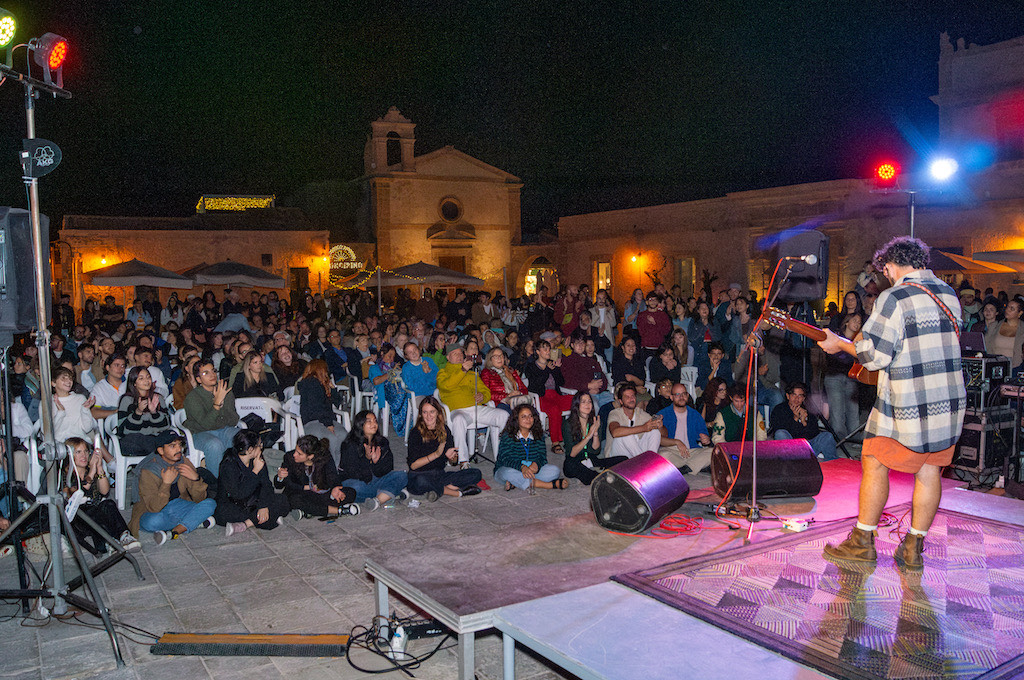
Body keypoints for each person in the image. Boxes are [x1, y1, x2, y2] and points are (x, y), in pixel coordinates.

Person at [818, 236, 966, 570]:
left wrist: (839, 343)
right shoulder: (947, 293)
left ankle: (862, 542)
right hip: (947, 402)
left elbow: (874, 355)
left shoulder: (894, 296)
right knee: (930, 470)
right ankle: (913, 548)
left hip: (907, 402)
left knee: (873, 460)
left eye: (883, 271)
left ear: (889, 266)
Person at [129, 431, 217, 544]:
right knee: (152, 522)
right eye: (172, 446)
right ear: (161, 450)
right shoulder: (149, 470)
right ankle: (192, 521)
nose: (179, 449)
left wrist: (196, 478)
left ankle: (175, 531)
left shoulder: (183, 462)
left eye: (180, 445)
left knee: (210, 504)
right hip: (155, 511)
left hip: (178, 505)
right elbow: (153, 507)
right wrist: (166, 483)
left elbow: (200, 499)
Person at [62, 437, 140, 554]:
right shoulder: (65, 474)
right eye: (78, 452)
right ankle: (109, 541)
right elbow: (76, 494)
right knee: (95, 515)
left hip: (95, 512)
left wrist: (99, 468)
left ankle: (124, 535)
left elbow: (104, 491)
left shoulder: (90, 470)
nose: (83, 455)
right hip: (78, 518)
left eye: (86, 451)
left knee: (108, 504)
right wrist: (92, 471)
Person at [436, 346, 509, 466]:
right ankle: (463, 460)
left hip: (477, 409)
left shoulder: (472, 374)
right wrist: (462, 370)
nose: (459, 356)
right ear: (448, 357)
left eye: (461, 353)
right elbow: (446, 386)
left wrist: (482, 396)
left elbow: (486, 391)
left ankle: (507, 454)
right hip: (458, 410)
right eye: (455, 354)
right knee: (458, 420)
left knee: (504, 415)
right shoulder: (443, 373)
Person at [406, 396, 483, 500]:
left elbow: (453, 463)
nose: (428, 416)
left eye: (432, 412)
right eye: (425, 412)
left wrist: (453, 458)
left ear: (438, 413)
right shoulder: (415, 433)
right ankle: (456, 492)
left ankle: (438, 489)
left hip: (439, 475)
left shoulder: (444, 430)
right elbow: (413, 466)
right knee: (420, 482)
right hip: (419, 475)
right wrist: (436, 454)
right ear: (421, 414)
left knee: (476, 473)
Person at [215, 430, 290, 536]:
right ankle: (267, 518)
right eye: (259, 445)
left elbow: (267, 484)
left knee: (283, 500)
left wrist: (263, 506)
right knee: (223, 514)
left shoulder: (258, 459)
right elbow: (238, 494)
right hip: (233, 504)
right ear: (250, 449)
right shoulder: (228, 465)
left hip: (253, 501)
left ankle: (246, 524)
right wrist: (255, 471)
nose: (261, 447)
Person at [274, 435, 358, 519]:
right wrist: (280, 477)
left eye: (299, 454)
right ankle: (338, 511)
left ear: (310, 456)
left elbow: (332, 476)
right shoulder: (289, 457)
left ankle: (310, 511)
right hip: (300, 492)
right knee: (294, 500)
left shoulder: (324, 456)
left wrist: (335, 488)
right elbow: (281, 485)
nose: (294, 454)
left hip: (320, 494)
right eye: (296, 450)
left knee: (350, 492)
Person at [339, 410, 408, 510]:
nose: (374, 424)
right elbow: (352, 473)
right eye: (369, 421)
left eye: (375, 421)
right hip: (357, 481)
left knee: (403, 476)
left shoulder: (382, 442)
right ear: (360, 424)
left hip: (376, 481)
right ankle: (388, 494)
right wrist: (367, 459)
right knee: (354, 488)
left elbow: (388, 468)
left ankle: (378, 500)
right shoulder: (350, 444)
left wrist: (376, 463)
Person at [183, 360, 241, 476]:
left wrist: (223, 403)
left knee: (242, 437)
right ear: (199, 379)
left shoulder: (225, 391)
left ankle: (238, 478)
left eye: (213, 371)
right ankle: (216, 482)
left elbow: (233, 420)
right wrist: (217, 404)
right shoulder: (193, 397)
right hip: (200, 433)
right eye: (206, 373)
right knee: (215, 445)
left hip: (224, 429)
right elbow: (206, 425)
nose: (212, 375)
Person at [494, 403, 567, 491]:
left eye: (530, 416)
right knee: (508, 473)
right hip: (511, 468)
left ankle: (516, 482)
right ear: (516, 419)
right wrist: (522, 467)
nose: (528, 419)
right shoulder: (508, 436)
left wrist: (536, 464)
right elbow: (506, 459)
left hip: (531, 469)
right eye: (523, 417)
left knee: (554, 471)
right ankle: (548, 485)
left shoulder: (538, 434)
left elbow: (542, 457)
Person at [561, 393, 627, 485]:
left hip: (591, 459)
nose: (587, 404)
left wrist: (595, 433)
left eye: (589, 402)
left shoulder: (595, 422)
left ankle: (600, 476)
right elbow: (572, 453)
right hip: (575, 461)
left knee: (624, 459)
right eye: (583, 402)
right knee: (570, 465)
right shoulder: (568, 424)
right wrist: (589, 435)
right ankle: (601, 477)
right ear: (577, 405)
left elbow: (596, 451)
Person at [769, 382, 837, 461]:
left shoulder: (807, 410)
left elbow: (814, 433)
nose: (796, 399)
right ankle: (794, 460)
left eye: (800, 396)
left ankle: (832, 462)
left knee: (827, 436)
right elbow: (778, 430)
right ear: (788, 396)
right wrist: (795, 419)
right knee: (780, 433)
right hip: (790, 448)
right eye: (794, 395)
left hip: (806, 447)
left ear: (803, 398)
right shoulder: (779, 409)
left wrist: (804, 422)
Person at [296, 359, 347, 464]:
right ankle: (330, 468)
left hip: (326, 419)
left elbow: (338, 402)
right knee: (330, 439)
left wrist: (332, 388)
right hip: (313, 421)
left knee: (343, 435)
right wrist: (328, 424)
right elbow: (316, 408)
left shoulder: (322, 384)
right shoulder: (311, 383)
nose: (327, 373)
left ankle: (338, 466)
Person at [656, 384, 713, 474]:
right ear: (671, 397)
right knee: (662, 455)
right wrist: (677, 442)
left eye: (684, 394)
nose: (681, 397)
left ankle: (685, 468)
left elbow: (703, 435)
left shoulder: (695, 414)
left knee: (712, 452)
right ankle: (694, 466)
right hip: (672, 451)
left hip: (691, 451)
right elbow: (658, 439)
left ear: (687, 396)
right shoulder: (663, 414)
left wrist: (705, 439)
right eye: (677, 394)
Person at [117, 366, 172, 456]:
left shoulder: (158, 398)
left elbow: (166, 425)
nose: (146, 381)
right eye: (141, 378)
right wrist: (138, 412)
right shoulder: (127, 400)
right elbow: (123, 430)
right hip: (135, 439)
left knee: (171, 437)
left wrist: (154, 413)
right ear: (134, 383)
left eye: (148, 377)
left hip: (155, 438)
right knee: (136, 441)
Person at [607, 383, 662, 459]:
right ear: (621, 401)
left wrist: (659, 425)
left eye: (633, 396)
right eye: (627, 397)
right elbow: (615, 432)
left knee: (654, 432)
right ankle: (645, 462)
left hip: (634, 451)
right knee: (626, 435)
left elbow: (663, 433)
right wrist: (644, 428)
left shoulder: (640, 413)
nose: (631, 399)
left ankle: (651, 460)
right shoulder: (615, 413)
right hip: (616, 455)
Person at [368, 343, 409, 436]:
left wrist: (399, 372)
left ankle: (406, 425)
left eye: (393, 357)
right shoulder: (375, 367)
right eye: (389, 356)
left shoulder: (395, 366)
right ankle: (400, 426)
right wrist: (390, 372)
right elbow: (376, 381)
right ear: (382, 354)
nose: (391, 359)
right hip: (385, 392)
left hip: (398, 391)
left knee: (408, 393)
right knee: (402, 394)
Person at [480, 347, 529, 414]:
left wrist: (519, 393)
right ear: (490, 359)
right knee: (516, 414)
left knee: (531, 412)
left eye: (501, 356)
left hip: (517, 399)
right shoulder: (486, 372)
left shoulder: (511, 371)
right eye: (496, 356)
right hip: (501, 402)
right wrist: (507, 396)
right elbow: (487, 393)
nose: (499, 358)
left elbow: (524, 389)